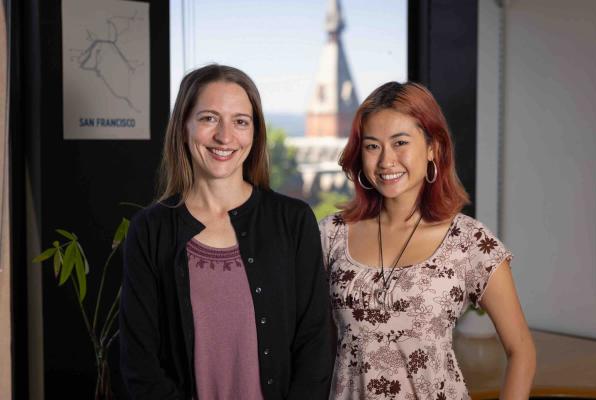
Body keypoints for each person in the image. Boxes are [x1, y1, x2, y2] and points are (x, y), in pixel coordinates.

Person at [119, 64, 333, 400]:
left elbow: (315, 343)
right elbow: (139, 364)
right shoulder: (149, 230)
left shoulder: (293, 221)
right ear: (183, 126)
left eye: (240, 121)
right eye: (209, 118)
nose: (225, 136)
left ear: (255, 132)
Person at [319, 82, 536, 399]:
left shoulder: (469, 242)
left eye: (400, 142)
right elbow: (310, 345)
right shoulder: (331, 235)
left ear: (433, 147)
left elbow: (522, 350)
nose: (386, 160)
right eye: (372, 146)